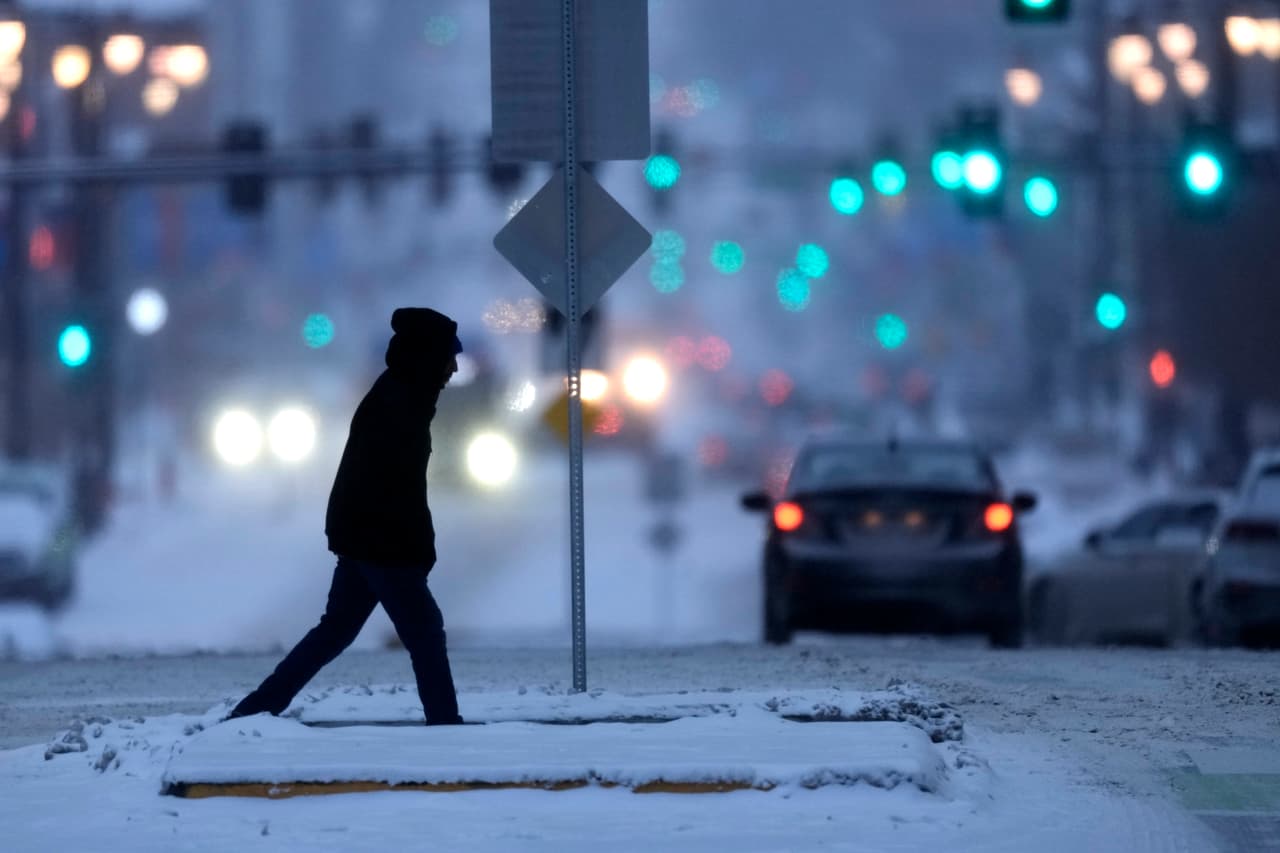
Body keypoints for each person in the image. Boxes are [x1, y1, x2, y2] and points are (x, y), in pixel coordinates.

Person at [227, 307, 464, 726]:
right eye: (450, 356)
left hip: (364, 539)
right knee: (425, 633)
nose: (454, 368)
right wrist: (415, 551)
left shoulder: (400, 394)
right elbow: (396, 492)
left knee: (335, 631)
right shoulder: (400, 403)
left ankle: (255, 709)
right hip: (381, 543)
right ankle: (446, 728)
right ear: (429, 357)